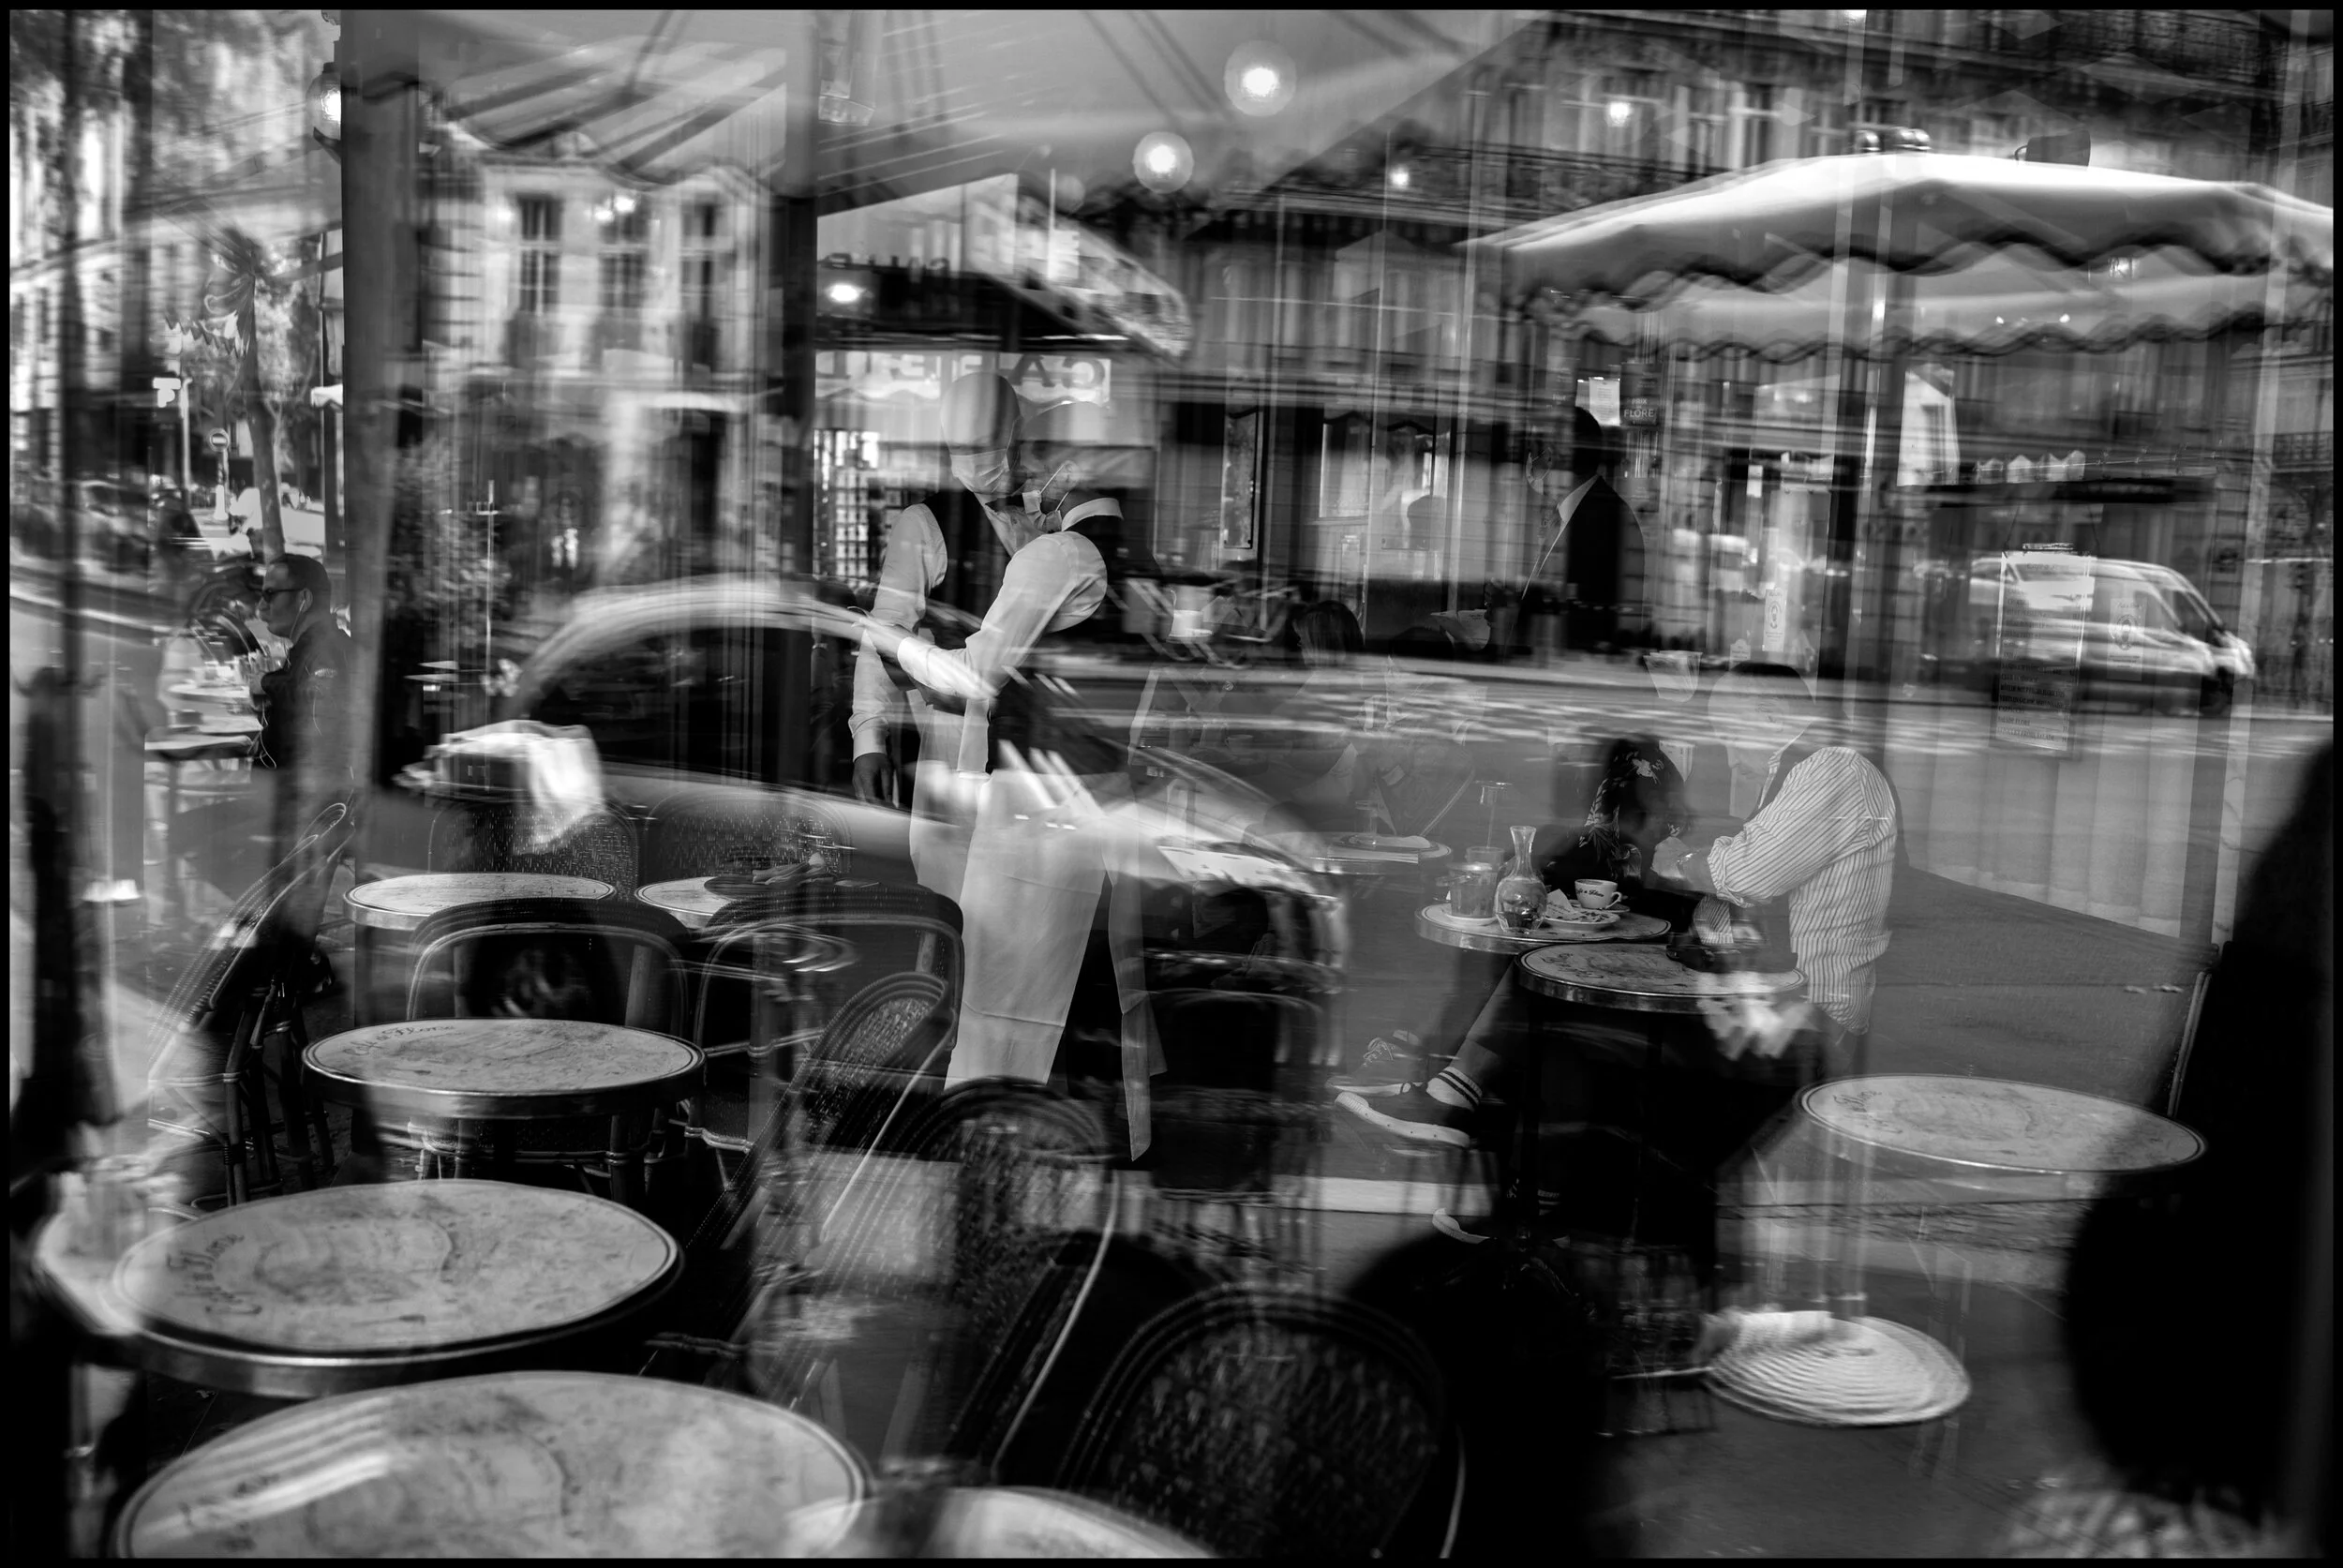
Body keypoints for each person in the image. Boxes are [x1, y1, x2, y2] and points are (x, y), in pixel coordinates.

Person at [1341, 664, 1894, 1256]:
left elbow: (1744, 874)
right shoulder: (1806, 769)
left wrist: (1691, 862)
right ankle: (1519, 1179)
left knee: (1573, 1017)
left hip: (1807, 1010)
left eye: (1730, 732)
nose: (1733, 752)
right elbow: (1729, 882)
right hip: (1768, 989)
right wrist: (1700, 874)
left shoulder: (1833, 770)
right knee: (1559, 983)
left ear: (1767, 714)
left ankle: (1526, 1187)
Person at [838, 381, 1150, 1097]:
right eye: (960, 446)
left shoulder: (1059, 535)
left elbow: (958, 658)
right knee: (958, 936)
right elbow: (882, 632)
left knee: (1029, 951)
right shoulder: (929, 520)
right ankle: (951, 1084)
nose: (977, 462)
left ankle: (1019, 1102)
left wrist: (908, 651)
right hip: (956, 760)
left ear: (1016, 437)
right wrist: (869, 738)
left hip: (1033, 775)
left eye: (989, 444)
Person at [170, 554, 353, 903]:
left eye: (271, 595)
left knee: (188, 834)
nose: (262, 604)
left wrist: (266, 684)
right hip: (285, 801)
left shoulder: (325, 647)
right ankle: (273, 921)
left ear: (304, 599)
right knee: (189, 831)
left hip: (300, 809)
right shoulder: (308, 648)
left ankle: (275, 921)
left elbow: (319, 704)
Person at [1515, 406, 1652, 656]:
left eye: (1537, 449)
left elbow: (1587, 619)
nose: (1531, 460)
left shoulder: (1607, 519)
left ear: (1557, 455)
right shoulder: (1568, 511)